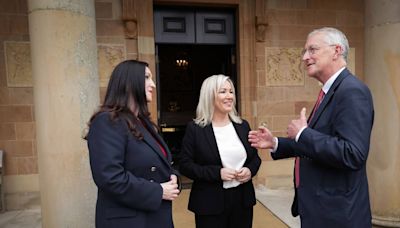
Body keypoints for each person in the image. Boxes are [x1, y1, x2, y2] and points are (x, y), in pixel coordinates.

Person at [249, 27, 374, 227]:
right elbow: (314, 145)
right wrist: (276, 143)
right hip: (318, 210)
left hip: (339, 215)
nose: (305, 57)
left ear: (336, 51)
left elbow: (353, 153)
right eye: (304, 51)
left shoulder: (352, 91)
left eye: (312, 49)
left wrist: (303, 134)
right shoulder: (330, 90)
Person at [85, 60, 180, 228]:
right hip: (128, 221)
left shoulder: (144, 122)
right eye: (147, 78)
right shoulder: (107, 121)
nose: (153, 84)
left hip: (155, 218)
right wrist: (158, 191)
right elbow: (110, 177)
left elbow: (158, 163)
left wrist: (173, 177)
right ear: (129, 82)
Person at [179, 74, 261, 228]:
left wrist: (250, 171)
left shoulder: (243, 126)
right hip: (209, 204)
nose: (229, 96)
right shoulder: (196, 129)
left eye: (231, 91)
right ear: (209, 96)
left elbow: (255, 159)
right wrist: (217, 173)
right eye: (223, 91)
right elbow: (185, 165)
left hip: (242, 201)